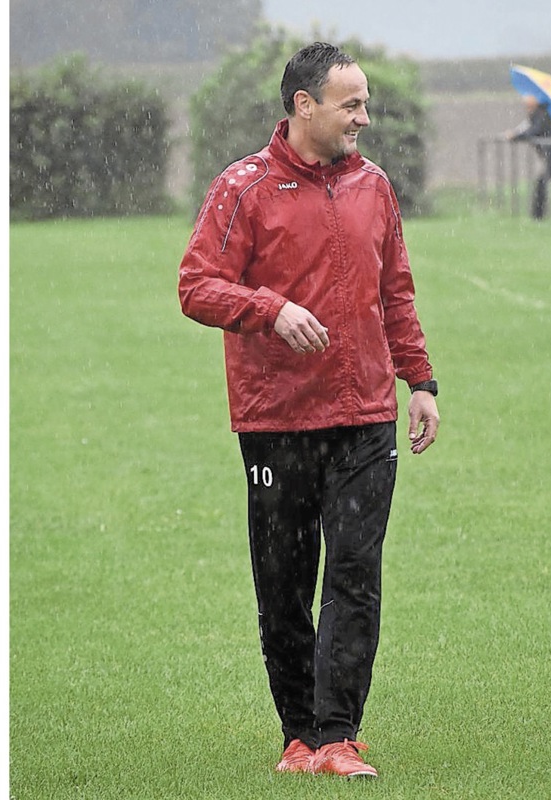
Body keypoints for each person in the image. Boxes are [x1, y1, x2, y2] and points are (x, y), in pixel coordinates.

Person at [177, 42, 440, 779]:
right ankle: (298, 737)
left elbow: (397, 292)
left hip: (365, 415)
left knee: (355, 574)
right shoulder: (242, 187)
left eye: (364, 102)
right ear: (304, 106)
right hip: (276, 422)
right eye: (350, 103)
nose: (364, 116)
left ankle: (338, 738)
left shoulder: (375, 186)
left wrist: (420, 382)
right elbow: (196, 286)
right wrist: (270, 308)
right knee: (286, 584)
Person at [508, 94, 551, 223]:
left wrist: (516, 136)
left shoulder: (543, 114)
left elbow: (534, 130)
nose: (525, 101)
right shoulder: (540, 113)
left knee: (550, 183)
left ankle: (542, 215)